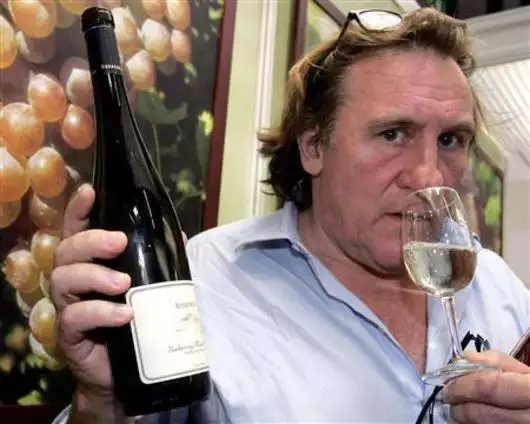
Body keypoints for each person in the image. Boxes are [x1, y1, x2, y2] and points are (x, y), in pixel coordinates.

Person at [51, 7, 530, 424]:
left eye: (450, 140)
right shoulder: (204, 283)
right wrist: (102, 405)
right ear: (313, 146)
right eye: (393, 134)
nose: (429, 176)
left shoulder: (496, 286)